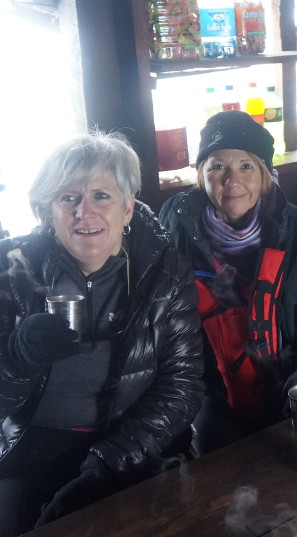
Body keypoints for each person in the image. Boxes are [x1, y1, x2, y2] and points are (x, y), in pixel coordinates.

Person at [0, 132, 204, 536]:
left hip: (135, 441)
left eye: (101, 196)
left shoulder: (164, 272)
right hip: (32, 446)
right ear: (48, 211)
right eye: (68, 198)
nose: (84, 212)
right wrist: (17, 356)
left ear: (128, 208)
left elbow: (183, 386)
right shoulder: (11, 272)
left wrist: (107, 464)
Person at [159, 110, 297, 454]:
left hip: (284, 394)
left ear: (265, 176)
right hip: (204, 401)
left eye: (246, 166)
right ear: (202, 175)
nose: (232, 179)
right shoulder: (174, 227)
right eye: (217, 166)